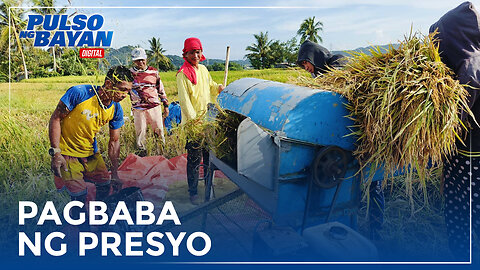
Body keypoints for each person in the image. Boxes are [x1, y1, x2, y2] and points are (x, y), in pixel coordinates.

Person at [297, 40, 385, 240]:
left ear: (313, 56)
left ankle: (376, 230)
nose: (306, 68)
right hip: (345, 137)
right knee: (350, 184)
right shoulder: (318, 73)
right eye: (303, 66)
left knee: (375, 183)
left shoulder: (338, 62)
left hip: (367, 132)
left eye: (306, 63)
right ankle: (345, 225)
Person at [430, 1, 480, 260]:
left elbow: (454, 120)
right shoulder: (471, 61)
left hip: (469, 161)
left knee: (464, 216)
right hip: (466, 157)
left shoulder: (470, 69)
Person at [49, 66, 133, 217]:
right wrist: (56, 153)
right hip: (67, 154)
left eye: (128, 91)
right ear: (108, 84)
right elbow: (56, 118)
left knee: (105, 186)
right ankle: (81, 228)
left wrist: (114, 173)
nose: (125, 95)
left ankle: (99, 220)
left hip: (90, 153)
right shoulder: (79, 93)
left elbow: (114, 141)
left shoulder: (116, 108)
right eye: (122, 89)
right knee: (79, 197)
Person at [176, 37, 224, 205]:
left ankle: (208, 186)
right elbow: (184, 101)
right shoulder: (182, 75)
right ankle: (193, 192)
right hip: (193, 125)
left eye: (198, 52)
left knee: (209, 157)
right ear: (186, 54)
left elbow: (210, 86)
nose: (195, 55)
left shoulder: (203, 69)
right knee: (194, 160)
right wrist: (193, 119)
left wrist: (218, 88)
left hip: (208, 121)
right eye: (192, 52)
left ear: (201, 52)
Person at [129, 47, 169, 155]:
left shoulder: (154, 72)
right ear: (133, 61)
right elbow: (125, 89)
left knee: (159, 131)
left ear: (146, 59)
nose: (140, 62)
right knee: (140, 133)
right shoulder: (129, 73)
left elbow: (160, 88)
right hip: (138, 108)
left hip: (154, 107)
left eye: (142, 59)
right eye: (137, 60)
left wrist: (165, 105)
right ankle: (142, 155)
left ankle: (161, 153)